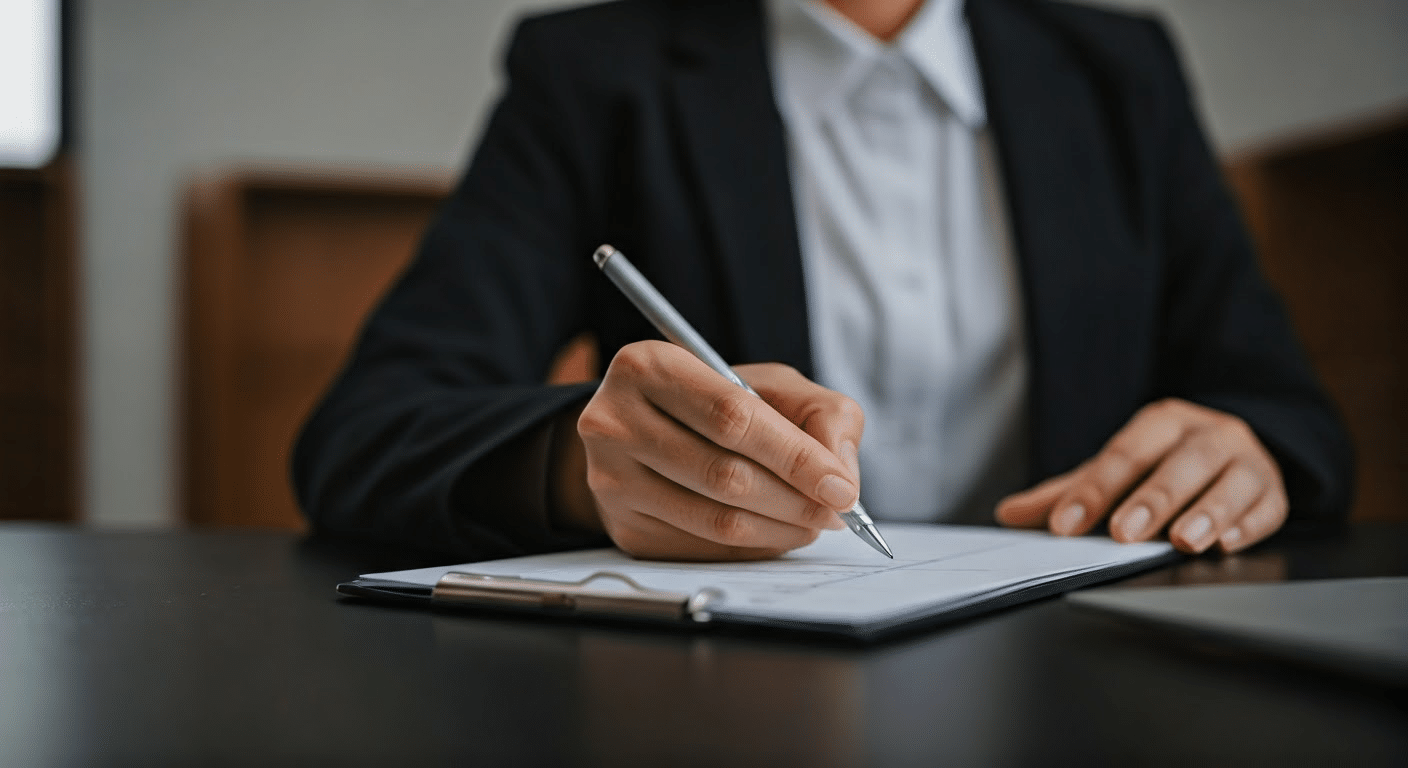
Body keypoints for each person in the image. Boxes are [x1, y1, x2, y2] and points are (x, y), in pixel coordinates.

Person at [292, 0, 1352, 562]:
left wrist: (1243, 450)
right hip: (725, 711)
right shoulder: (593, 72)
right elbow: (364, 432)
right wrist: (586, 474)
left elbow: (1282, 409)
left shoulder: (1121, 70)